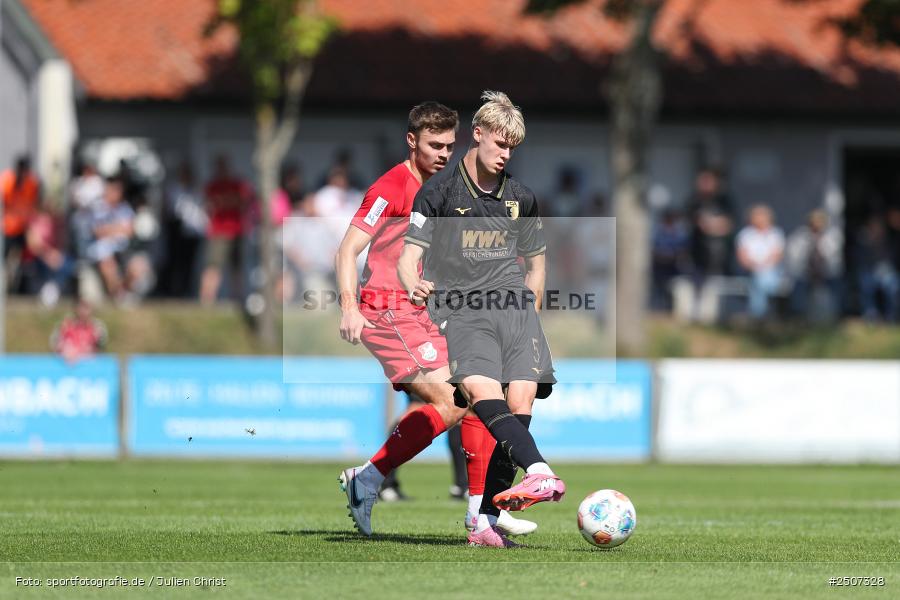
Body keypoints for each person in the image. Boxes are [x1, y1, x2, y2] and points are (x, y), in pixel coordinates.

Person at [335, 101, 536, 542]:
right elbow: (347, 249)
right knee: (460, 395)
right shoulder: (392, 187)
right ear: (413, 142)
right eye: (434, 145)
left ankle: (480, 513)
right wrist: (349, 307)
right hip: (387, 310)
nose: (444, 153)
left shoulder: (450, 190)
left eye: (449, 145)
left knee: (478, 394)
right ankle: (376, 479)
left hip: (427, 313)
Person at [399, 91, 565, 548]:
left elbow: (536, 263)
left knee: (521, 406)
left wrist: (530, 316)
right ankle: (540, 471)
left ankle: (484, 522)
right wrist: (413, 281)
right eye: (500, 143)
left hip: (514, 310)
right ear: (477, 134)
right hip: (464, 311)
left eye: (513, 147)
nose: (506, 154)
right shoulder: (438, 192)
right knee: (483, 396)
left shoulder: (521, 198)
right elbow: (409, 256)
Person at [200, 155, 254, 304]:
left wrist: (226, 201)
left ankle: (237, 299)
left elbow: (244, 201)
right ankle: (207, 300)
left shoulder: (238, 184)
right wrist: (229, 201)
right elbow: (211, 204)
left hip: (237, 232)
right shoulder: (212, 186)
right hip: (218, 232)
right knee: (213, 267)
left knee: (236, 268)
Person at [785, 209, 843, 321]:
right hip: (804, 272)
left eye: (820, 222)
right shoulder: (799, 236)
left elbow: (833, 259)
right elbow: (794, 258)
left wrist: (821, 270)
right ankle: (799, 315)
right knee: (798, 286)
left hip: (826, 273)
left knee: (837, 285)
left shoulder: (832, 237)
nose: (817, 225)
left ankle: (835, 314)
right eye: (814, 222)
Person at [736, 204, 785, 319]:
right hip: (750, 270)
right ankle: (760, 314)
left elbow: (777, 255)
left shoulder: (775, 233)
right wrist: (754, 266)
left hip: (771, 270)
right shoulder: (745, 234)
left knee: (761, 279)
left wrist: (763, 267)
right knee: (759, 279)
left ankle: (757, 314)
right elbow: (742, 256)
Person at [2, 155, 41, 288]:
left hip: (23, 227)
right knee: (6, 256)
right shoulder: (7, 181)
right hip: (7, 228)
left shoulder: (31, 183)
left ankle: (18, 284)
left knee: (26, 256)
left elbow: (34, 204)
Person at [51, 298, 108, 363]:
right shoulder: (66, 324)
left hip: (90, 363)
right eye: (81, 307)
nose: (83, 311)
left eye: (86, 308)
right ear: (75, 308)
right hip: (68, 364)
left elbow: (101, 347)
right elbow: (55, 345)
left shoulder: (97, 326)